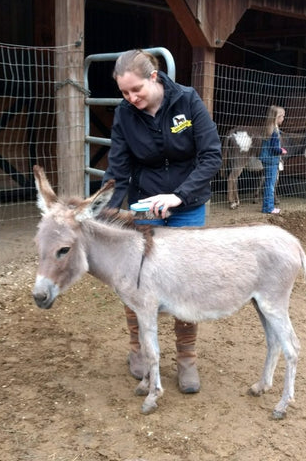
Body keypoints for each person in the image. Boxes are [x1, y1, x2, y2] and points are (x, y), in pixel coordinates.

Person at [102, 49, 222, 394]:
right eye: (124, 93)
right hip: (145, 208)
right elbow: (118, 170)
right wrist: (103, 216)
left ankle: (186, 360)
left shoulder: (187, 101)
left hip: (187, 204)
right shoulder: (125, 116)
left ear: (153, 77)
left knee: (186, 282)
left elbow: (211, 154)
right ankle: (138, 350)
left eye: (136, 90)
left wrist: (179, 196)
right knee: (135, 280)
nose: (131, 98)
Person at [259, 105, 287, 214]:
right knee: (270, 185)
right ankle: (269, 208)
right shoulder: (275, 133)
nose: (283, 119)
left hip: (266, 159)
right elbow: (274, 148)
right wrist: (281, 151)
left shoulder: (268, 129)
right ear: (277, 117)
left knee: (268, 183)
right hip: (272, 161)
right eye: (282, 116)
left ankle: (266, 206)